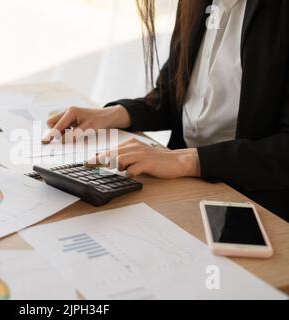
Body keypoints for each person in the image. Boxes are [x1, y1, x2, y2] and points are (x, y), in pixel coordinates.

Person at [42, 0, 289, 221]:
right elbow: (174, 94)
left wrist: (185, 160)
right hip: (185, 188)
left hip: (255, 202)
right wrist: (115, 114)